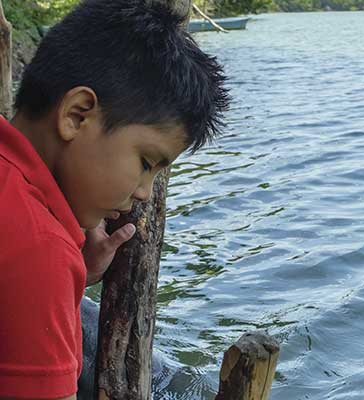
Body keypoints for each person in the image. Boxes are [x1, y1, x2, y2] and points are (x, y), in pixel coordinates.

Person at [0, 0, 229, 398]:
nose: (143, 191)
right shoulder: (39, 249)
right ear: (76, 114)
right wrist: (55, 267)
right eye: (146, 162)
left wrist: (77, 277)